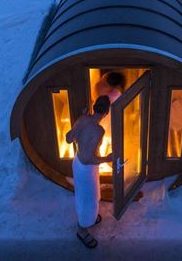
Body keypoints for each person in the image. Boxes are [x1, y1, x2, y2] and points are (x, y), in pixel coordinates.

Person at [65, 96, 112, 249]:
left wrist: (81, 119)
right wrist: (107, 158)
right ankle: (82, 229)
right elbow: (88, 158)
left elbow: (68, 138)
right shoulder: (99, 131)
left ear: (94, 107)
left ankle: (89, 218)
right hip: (85, 168)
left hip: (77, 163)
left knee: (86, 194)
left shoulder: (83, 118)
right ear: (106, 113)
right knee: (88, 199)